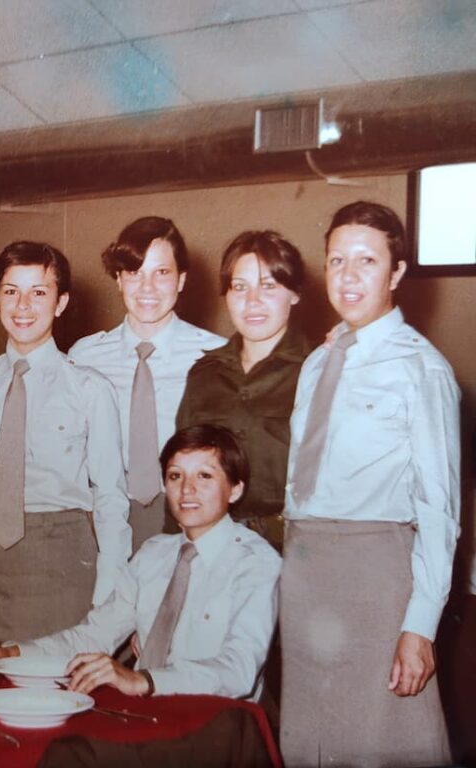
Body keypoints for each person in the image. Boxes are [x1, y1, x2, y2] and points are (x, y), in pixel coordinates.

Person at [280, 201, 459, 767]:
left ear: (397, 272)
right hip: (305, 572)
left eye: (367, 261)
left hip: (375, 577)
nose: (348, 276)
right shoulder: (318, 362)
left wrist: (420, 627)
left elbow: (439, 509)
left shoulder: (422, 369)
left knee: (380, 742)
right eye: (337, 261)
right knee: (309, 742)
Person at [1, 424, 280, 701]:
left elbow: (238, 671)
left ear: (235, 490)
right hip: (142, 713)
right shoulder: (153, 554)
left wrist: (144, 680)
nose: (187, 489)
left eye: (204, 476)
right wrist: (11, 653)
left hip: (216, 716)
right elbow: (94, 635)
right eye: (175, 476)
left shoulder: (257, 563)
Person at [0, 241, 130, 642]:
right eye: (11, 291)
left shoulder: (89, 389)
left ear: (61, 302)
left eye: (38, 292)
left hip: (61, 562)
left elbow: (110, 497)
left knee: (53, 675)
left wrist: (108, 589)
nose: (23, 306)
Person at [69, 217, 224, 554]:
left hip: (185, 513)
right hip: (103, 517)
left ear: (181, 279)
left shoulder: (215, 355)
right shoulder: (84, 356)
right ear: (118, 279)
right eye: (134, 272)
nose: (147, 287)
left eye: (162, 272)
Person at [176, 230, 310, 552]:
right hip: (213, 546)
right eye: (239, 287)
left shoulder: (317, 371)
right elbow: (181, 473)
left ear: (294, 293)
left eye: (268, 286)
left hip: (292, 549)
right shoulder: (203, 374)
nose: (252, 301)